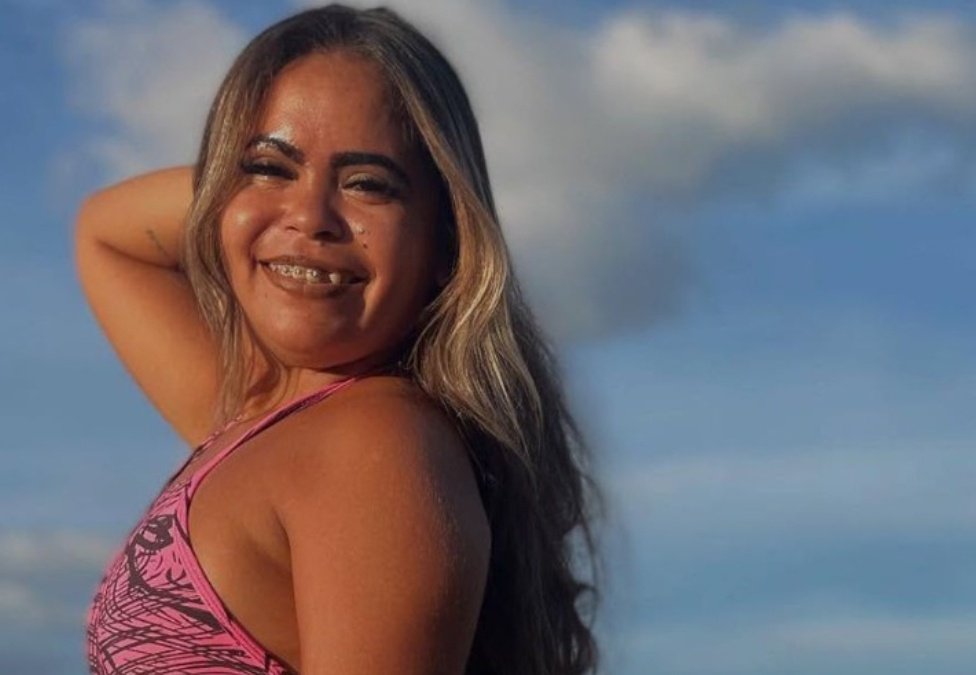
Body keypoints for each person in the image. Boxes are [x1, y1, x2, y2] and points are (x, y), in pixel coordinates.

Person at [77, 5, 599, 674]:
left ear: (446, 240)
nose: (310, 217)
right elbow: (106, 233)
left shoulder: (369, 446)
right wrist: (244, 201)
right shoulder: (260, 414)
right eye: (269, 167)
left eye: (368, 184)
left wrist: (264, 190)